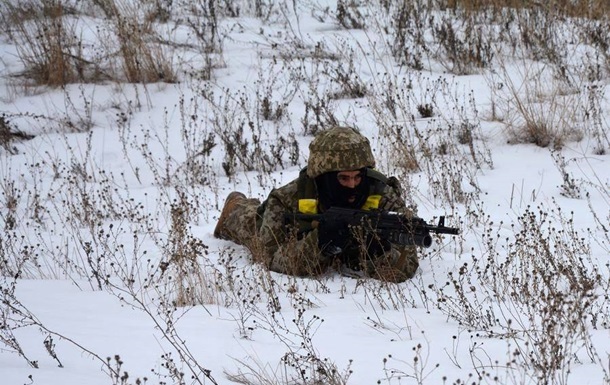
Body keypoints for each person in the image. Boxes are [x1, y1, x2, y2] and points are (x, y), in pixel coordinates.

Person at [213, 126, 419, 283]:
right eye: (343, 179)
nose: (353, 185)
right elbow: (270, 258)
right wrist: (319, 242)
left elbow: (407, 265)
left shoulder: (382, 194)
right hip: (269, 225)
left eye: (358, 177)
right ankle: (236, 207)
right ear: (324, 178)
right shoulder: (288, 199)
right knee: (251, 225)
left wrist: (379, 251)